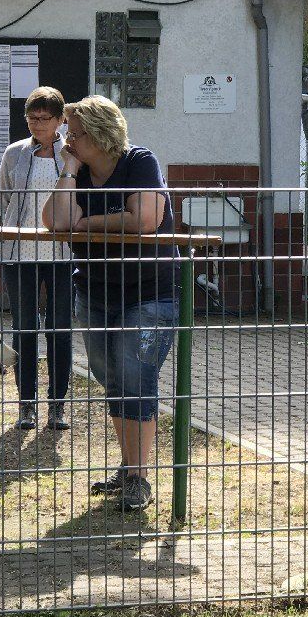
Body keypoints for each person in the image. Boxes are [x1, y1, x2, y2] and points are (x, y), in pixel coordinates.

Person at [42, 95, 178, 512]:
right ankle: (128, 466)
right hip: (96, 293)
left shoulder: (139, 162)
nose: (67, 141)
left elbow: (145, 219)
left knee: (135, 377)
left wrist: (87, 223)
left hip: (149, 293)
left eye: (75, 134)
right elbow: (56, 221)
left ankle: (138, 477)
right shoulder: (78, 172)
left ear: (100, 136)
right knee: (112, 378)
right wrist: (68, 171)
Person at [0, 87, 73, 432]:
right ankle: (26, 404)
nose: (37, 124)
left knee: (59, 329)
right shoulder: (14, 153)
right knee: (24, 328)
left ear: (60, 120)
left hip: (62, 254)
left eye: (44, 118)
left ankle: (57, 406)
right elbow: (4, 198)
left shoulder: (72, 153)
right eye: (32, 117)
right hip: (19, 252)